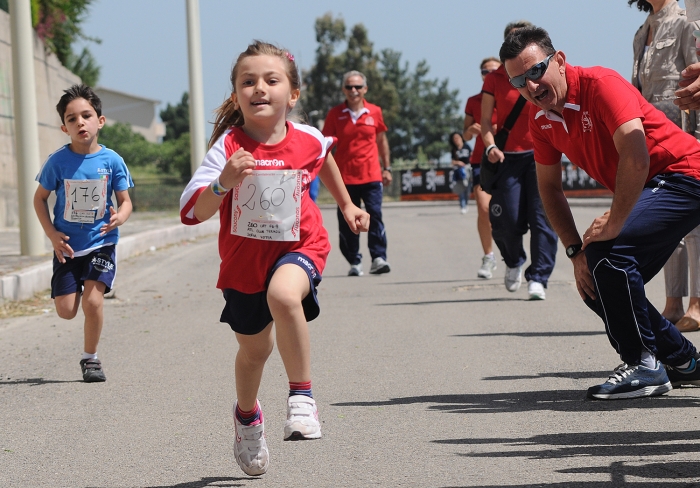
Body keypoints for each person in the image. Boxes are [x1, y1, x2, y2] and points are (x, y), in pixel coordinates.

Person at [179, 41, 369, 476]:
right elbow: (192, 212)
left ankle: (302, 398)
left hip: (299, 246)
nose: (259, 88)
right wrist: (223, 183)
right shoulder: (227, 147)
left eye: (271, 80)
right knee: (254, 352)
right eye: (248, 81)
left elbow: (323, 157)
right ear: (235, 95)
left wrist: (346, 206)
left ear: (293, 93)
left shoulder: (307, 138)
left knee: (285, 296)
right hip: (244, 265)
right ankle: (247, 417)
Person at [500, 25, 700, 400]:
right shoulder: (540, 119)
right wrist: (575, 252)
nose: (530, 86)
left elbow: (637, 158)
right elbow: (549, 188)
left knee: (610, 254)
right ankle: (685, 362)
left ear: (558, 60)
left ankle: (643, 364)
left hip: (684, 175)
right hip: (649, 188)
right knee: (595, 277)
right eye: (517, 82)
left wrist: (614, 221)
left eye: (534, 71)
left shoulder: (600, 84)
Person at [33, 84, 134, 383]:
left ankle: (90, 358)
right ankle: (82, 283)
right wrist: (52, 235)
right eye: (72, 118)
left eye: (86, 116)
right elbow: (39, 199)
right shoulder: (57, 162)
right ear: (64, 127)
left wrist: (120, 218)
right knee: (66, 311)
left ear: (99, 121)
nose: (80, 122)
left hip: (101, 241)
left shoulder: (112, 161)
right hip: (67, 246)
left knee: (92, 302)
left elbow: (125, 202)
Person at [631, 0, 700, 333]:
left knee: (694, 225)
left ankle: (697, 304)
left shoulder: (687, 22)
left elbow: (696, 81)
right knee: (668, 223)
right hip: (653, 139)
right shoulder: (642, 31)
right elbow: (638, 91)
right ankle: (672, 303)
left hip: (686, 135)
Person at [481, 21, 558, 300]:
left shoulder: (542, 72)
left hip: (541, 155)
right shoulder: (494, 79)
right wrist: (490, 147)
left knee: (543, 218)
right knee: (507, 220)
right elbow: (486, 124)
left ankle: (539, 276)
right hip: (507, 158)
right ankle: (514, 260)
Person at [322, 70, 392, 277]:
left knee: (375, 215)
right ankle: (354, 260)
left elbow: (381, 141)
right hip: (345, 178)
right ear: (344, 89)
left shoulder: (375, 112)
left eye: (358, 87)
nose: (354, 91)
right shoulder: (335, 114)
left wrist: (387, 168)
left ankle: (379, 258)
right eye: (350, 87)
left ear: (365, 89)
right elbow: (325, 146)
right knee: (347, 220)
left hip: (371, 175)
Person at [463, 57, 501, 279]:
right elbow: (465, 134)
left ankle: (512, 252)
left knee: (510, 213)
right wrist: (475, 130)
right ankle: (488, 256)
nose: (488, 74)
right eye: (484, 71)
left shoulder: (509, 97)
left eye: (493, 71)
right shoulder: (473, 101)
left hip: (508, 157)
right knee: (483, 207)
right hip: (481, 159)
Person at [448, 132, 472, 214]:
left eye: (457, 137)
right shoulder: (454, 149)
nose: (456, 139)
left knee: (467, 189)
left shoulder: (467, 146)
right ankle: (462, 205)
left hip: (468, 170)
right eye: (454, 138)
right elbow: (452, 161)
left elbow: (471, 155)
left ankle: (466, 203)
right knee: (461, 189)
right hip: (459, 171)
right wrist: (458, 163)